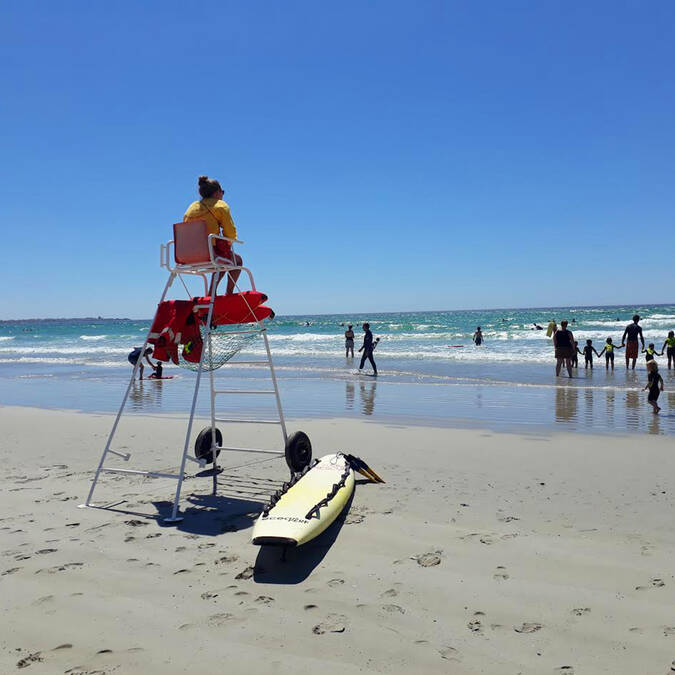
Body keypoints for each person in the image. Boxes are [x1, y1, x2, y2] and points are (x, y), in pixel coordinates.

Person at [184, 176, 242, 295]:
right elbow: (230, 233)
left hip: (187, 256)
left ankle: (212, 292)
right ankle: (228, 294)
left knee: (222, 258)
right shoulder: (220, 206)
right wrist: (230, 241)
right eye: (222, 192)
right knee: (237, 261)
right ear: (217, 193)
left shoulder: (191, 208)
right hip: (210, 255)